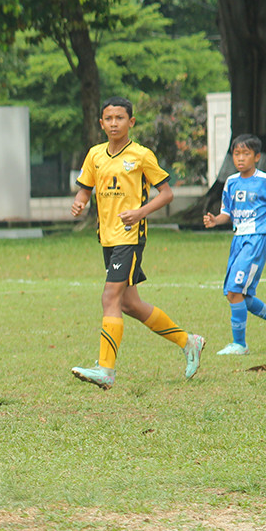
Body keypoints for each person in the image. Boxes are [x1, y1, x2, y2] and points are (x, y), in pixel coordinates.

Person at [69, 96, 205, 389]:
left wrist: (140, 213)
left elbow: (167, 194)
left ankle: (106, 370)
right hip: (107, 237)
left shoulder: (142, 155)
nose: (114, 123)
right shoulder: (94, 155)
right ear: (101, 123)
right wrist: (79, 203)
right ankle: (188, 341)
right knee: (130, 304)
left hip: (130, 238)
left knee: (110, 298)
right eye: (109, 118)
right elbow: (84, 189)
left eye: (120, 118)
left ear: (131, 122)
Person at [203, 133, 266, 355]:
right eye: (236, 153)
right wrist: (215, 220)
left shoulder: (265, 180)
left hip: (256, 240)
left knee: (234, 291)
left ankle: (240, 345)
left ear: (257, 156)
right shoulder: (231, 182)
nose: (240, 158)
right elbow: (227, 213)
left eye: (246, 153)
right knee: (241, 296)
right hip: (238, 240)